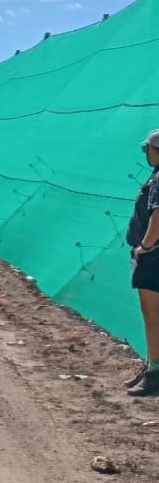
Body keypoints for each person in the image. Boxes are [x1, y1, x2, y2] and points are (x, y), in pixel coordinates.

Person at [125, 129, 159, 397]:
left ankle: (154, 374)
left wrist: (145, 247)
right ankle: (152, 365)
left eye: (146, 148)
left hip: (153, 256)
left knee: (152, 316)